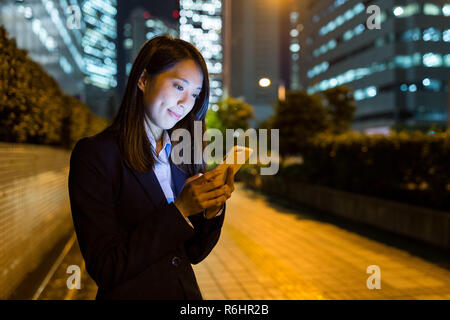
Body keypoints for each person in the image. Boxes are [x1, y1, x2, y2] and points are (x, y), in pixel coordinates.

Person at [68, 35, 235, 300]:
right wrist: (180, 210)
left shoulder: (182, 155)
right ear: (143, 80)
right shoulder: (96, 154)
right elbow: (105, 267)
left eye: (194, 94)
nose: (185, 103)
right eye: (179, 86)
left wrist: (211, 211)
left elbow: (192, 253)